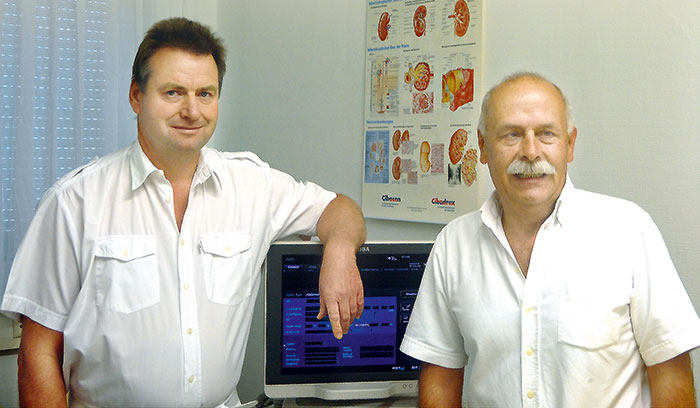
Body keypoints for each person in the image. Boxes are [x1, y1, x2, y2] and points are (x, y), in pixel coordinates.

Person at [1, 17, 366, 408]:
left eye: (205, 94)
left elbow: (338, 208)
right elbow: (39, 350)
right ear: (136, 96)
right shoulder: (75, 202)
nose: (192, 111)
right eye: (173, 92)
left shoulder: (254, 185)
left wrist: (340, 251)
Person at [400, 72, 700, 407]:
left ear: (569, 144)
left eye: (546, 134)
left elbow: (670, 372)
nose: (530, 152)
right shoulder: (453, 244)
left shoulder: (628, 231)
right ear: (483, 147)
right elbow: (440, 377)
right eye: (511, 135)